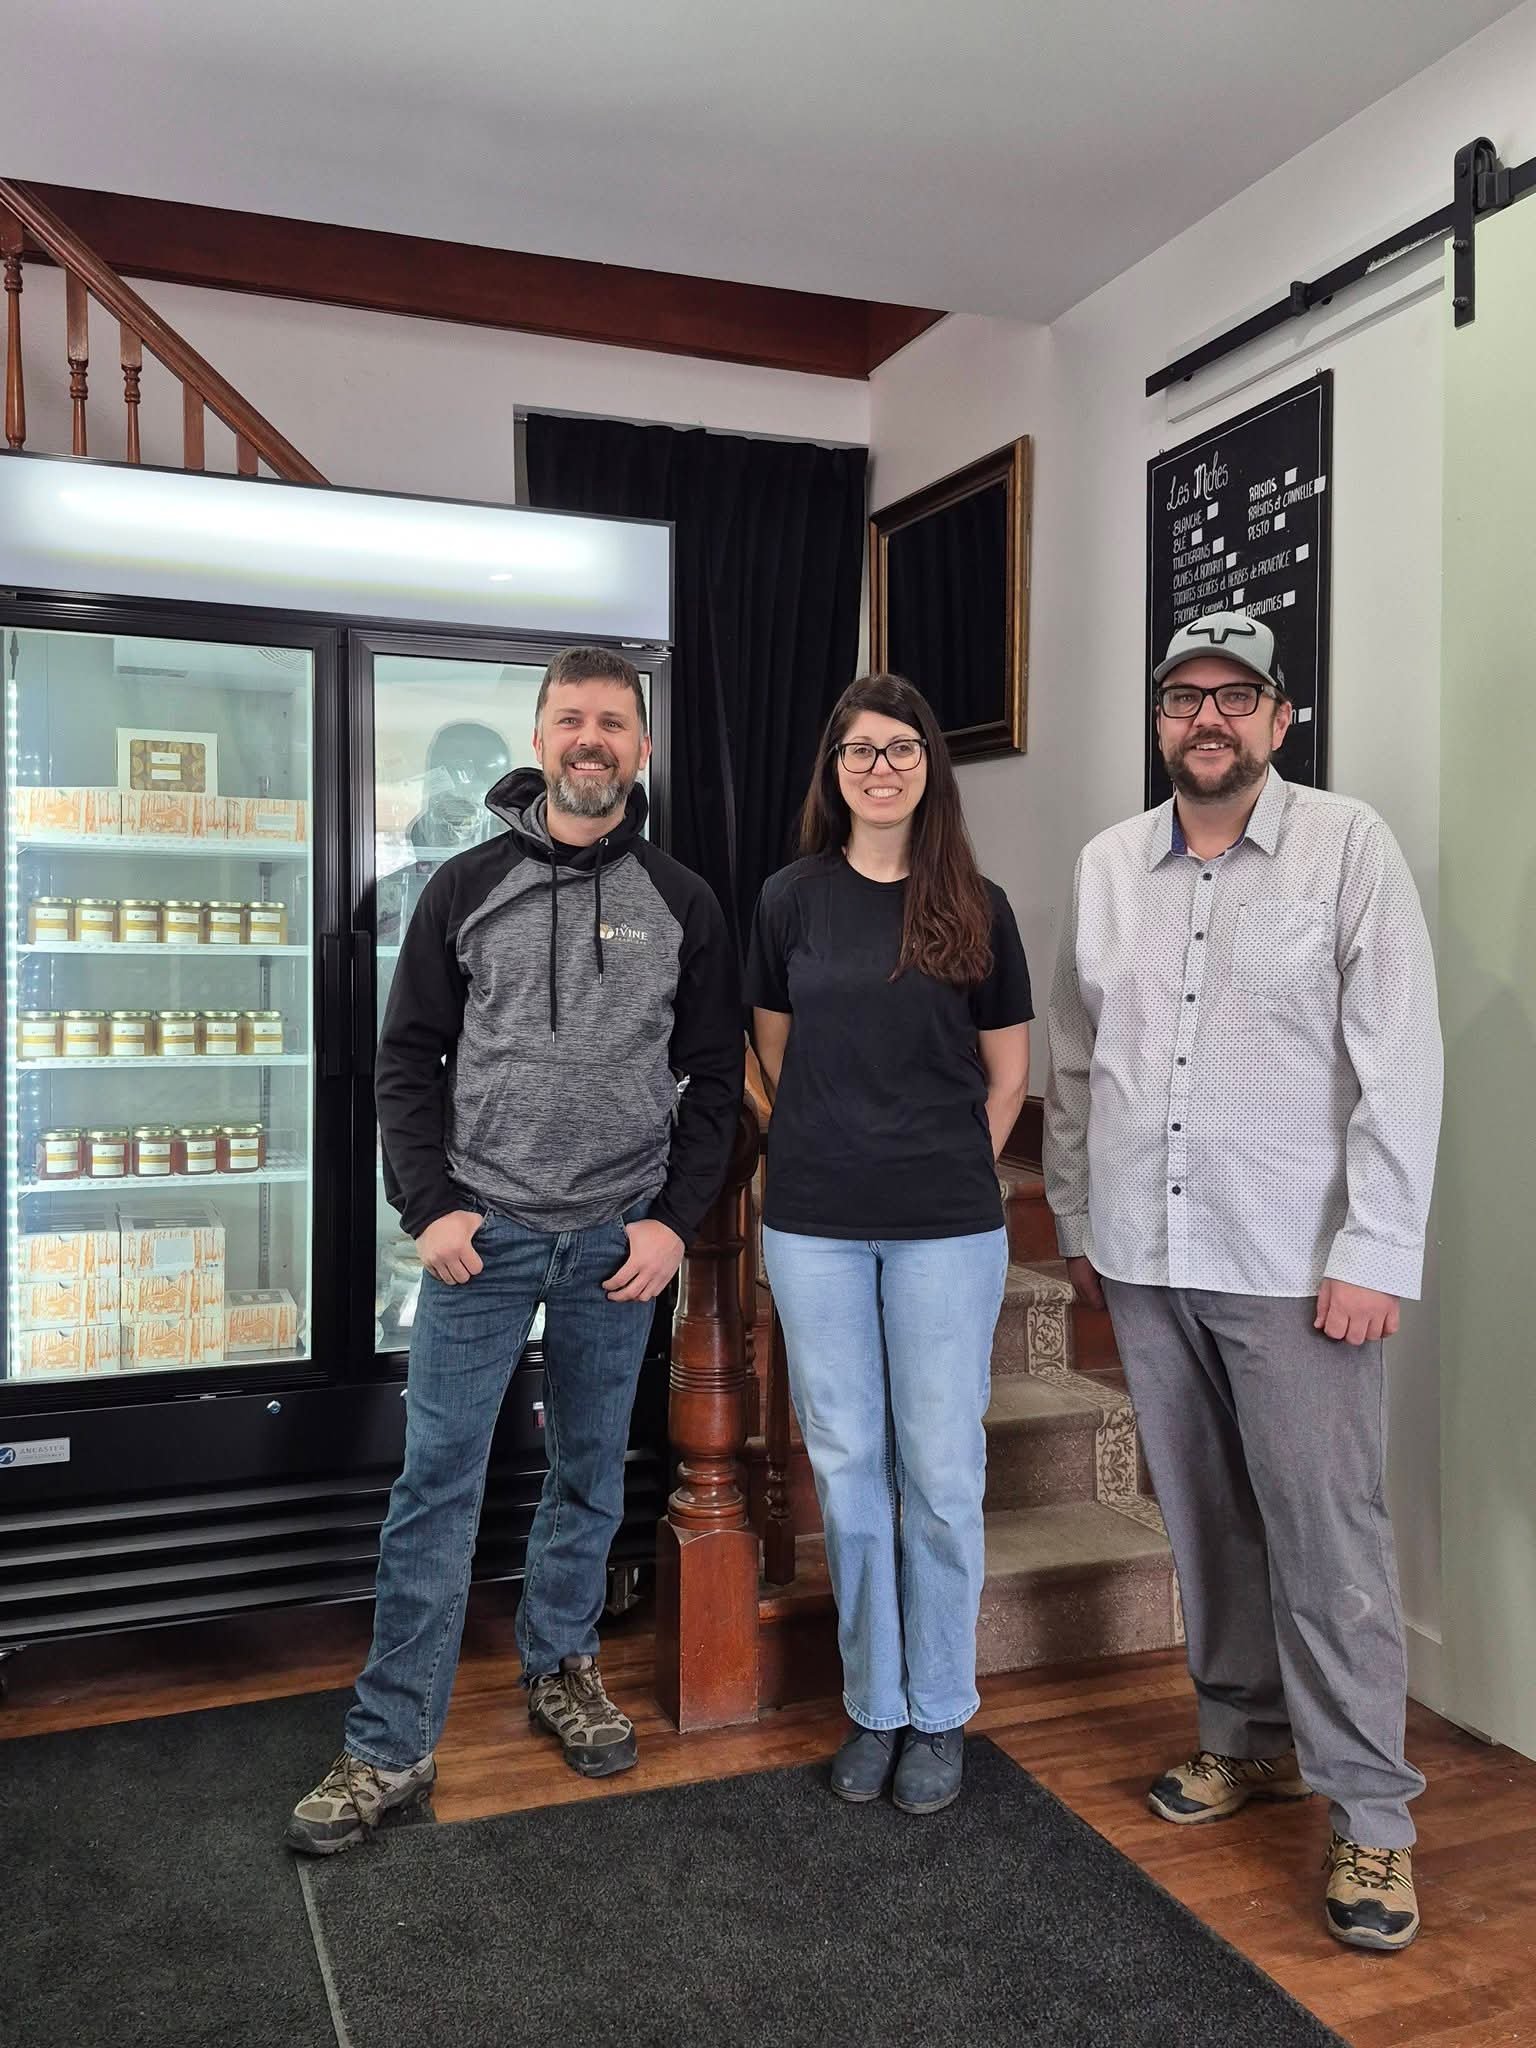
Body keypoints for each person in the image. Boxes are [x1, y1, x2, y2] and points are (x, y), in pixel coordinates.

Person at [287, 646, 742, 1854]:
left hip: (614, 1245)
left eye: (614, 723)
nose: (592, 739)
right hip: (480, 1242)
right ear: (540, 736)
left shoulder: (684, 900)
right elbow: (404, 1062)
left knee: (590, 1472)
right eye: (572, 719)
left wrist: (668, 1221)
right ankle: (389, 1744)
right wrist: (428, 1204)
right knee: (435, 1484)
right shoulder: (461, 887)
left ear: (641, 750)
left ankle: (560, 1664)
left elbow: (713, 1084)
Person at [1043, 612, 1442, 1951]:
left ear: (1280, 718)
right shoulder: (1107, 868)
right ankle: (1245, 1737)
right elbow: (1074, 1063)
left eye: (1233, 697)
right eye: (1180, 698)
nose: (1204, 718)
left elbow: (1401, 1060)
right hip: (1151, 1261)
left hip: (1296, 1268)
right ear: (1160, 722)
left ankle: (1375, 1822)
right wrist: (1083, 1226)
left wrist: (1376, 1250)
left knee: (1331, 1543)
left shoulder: (1348, 847)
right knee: (1207, 1523)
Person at [748, 673, 1032, 1816]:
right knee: (850, 1468)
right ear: (833, 767)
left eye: (901, 747)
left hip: (945, 1225)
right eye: (859, 748)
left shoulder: (977, 902)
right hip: (813, 1222)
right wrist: (816, 1141)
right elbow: (767, 1059)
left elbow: (1008, 1073)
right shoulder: (789, 899)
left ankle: (940, 1707)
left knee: (944, 1470)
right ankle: (874, 1704)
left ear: (930, 766)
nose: (879, 766)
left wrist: (955, 1156)